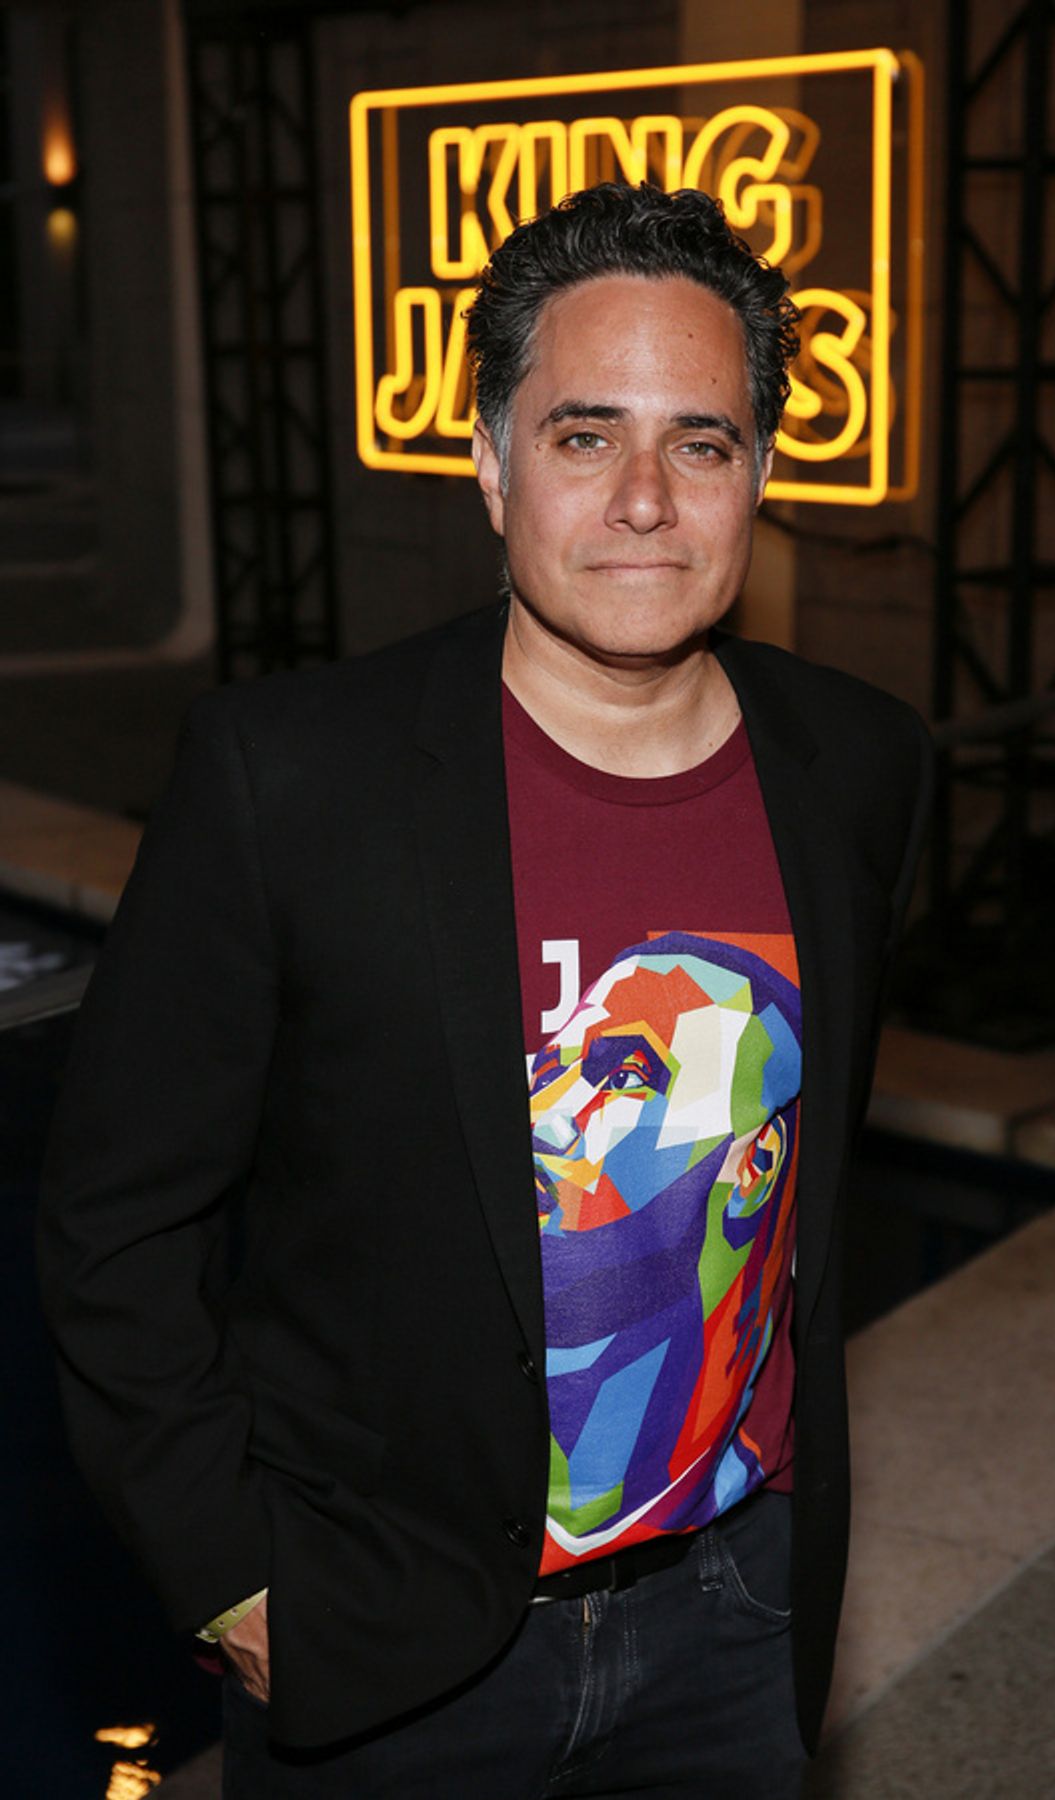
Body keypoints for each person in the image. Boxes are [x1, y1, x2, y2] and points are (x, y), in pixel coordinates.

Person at [38, 182, 932, 1797]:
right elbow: (114, 1226)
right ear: (491, 463)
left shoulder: (857, 766)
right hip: (392, 1650)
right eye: (586, 435)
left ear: (761, 476)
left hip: (736, 1615)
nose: (646, 499)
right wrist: (235, 1583)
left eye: (703, 443)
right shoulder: (292, 781)